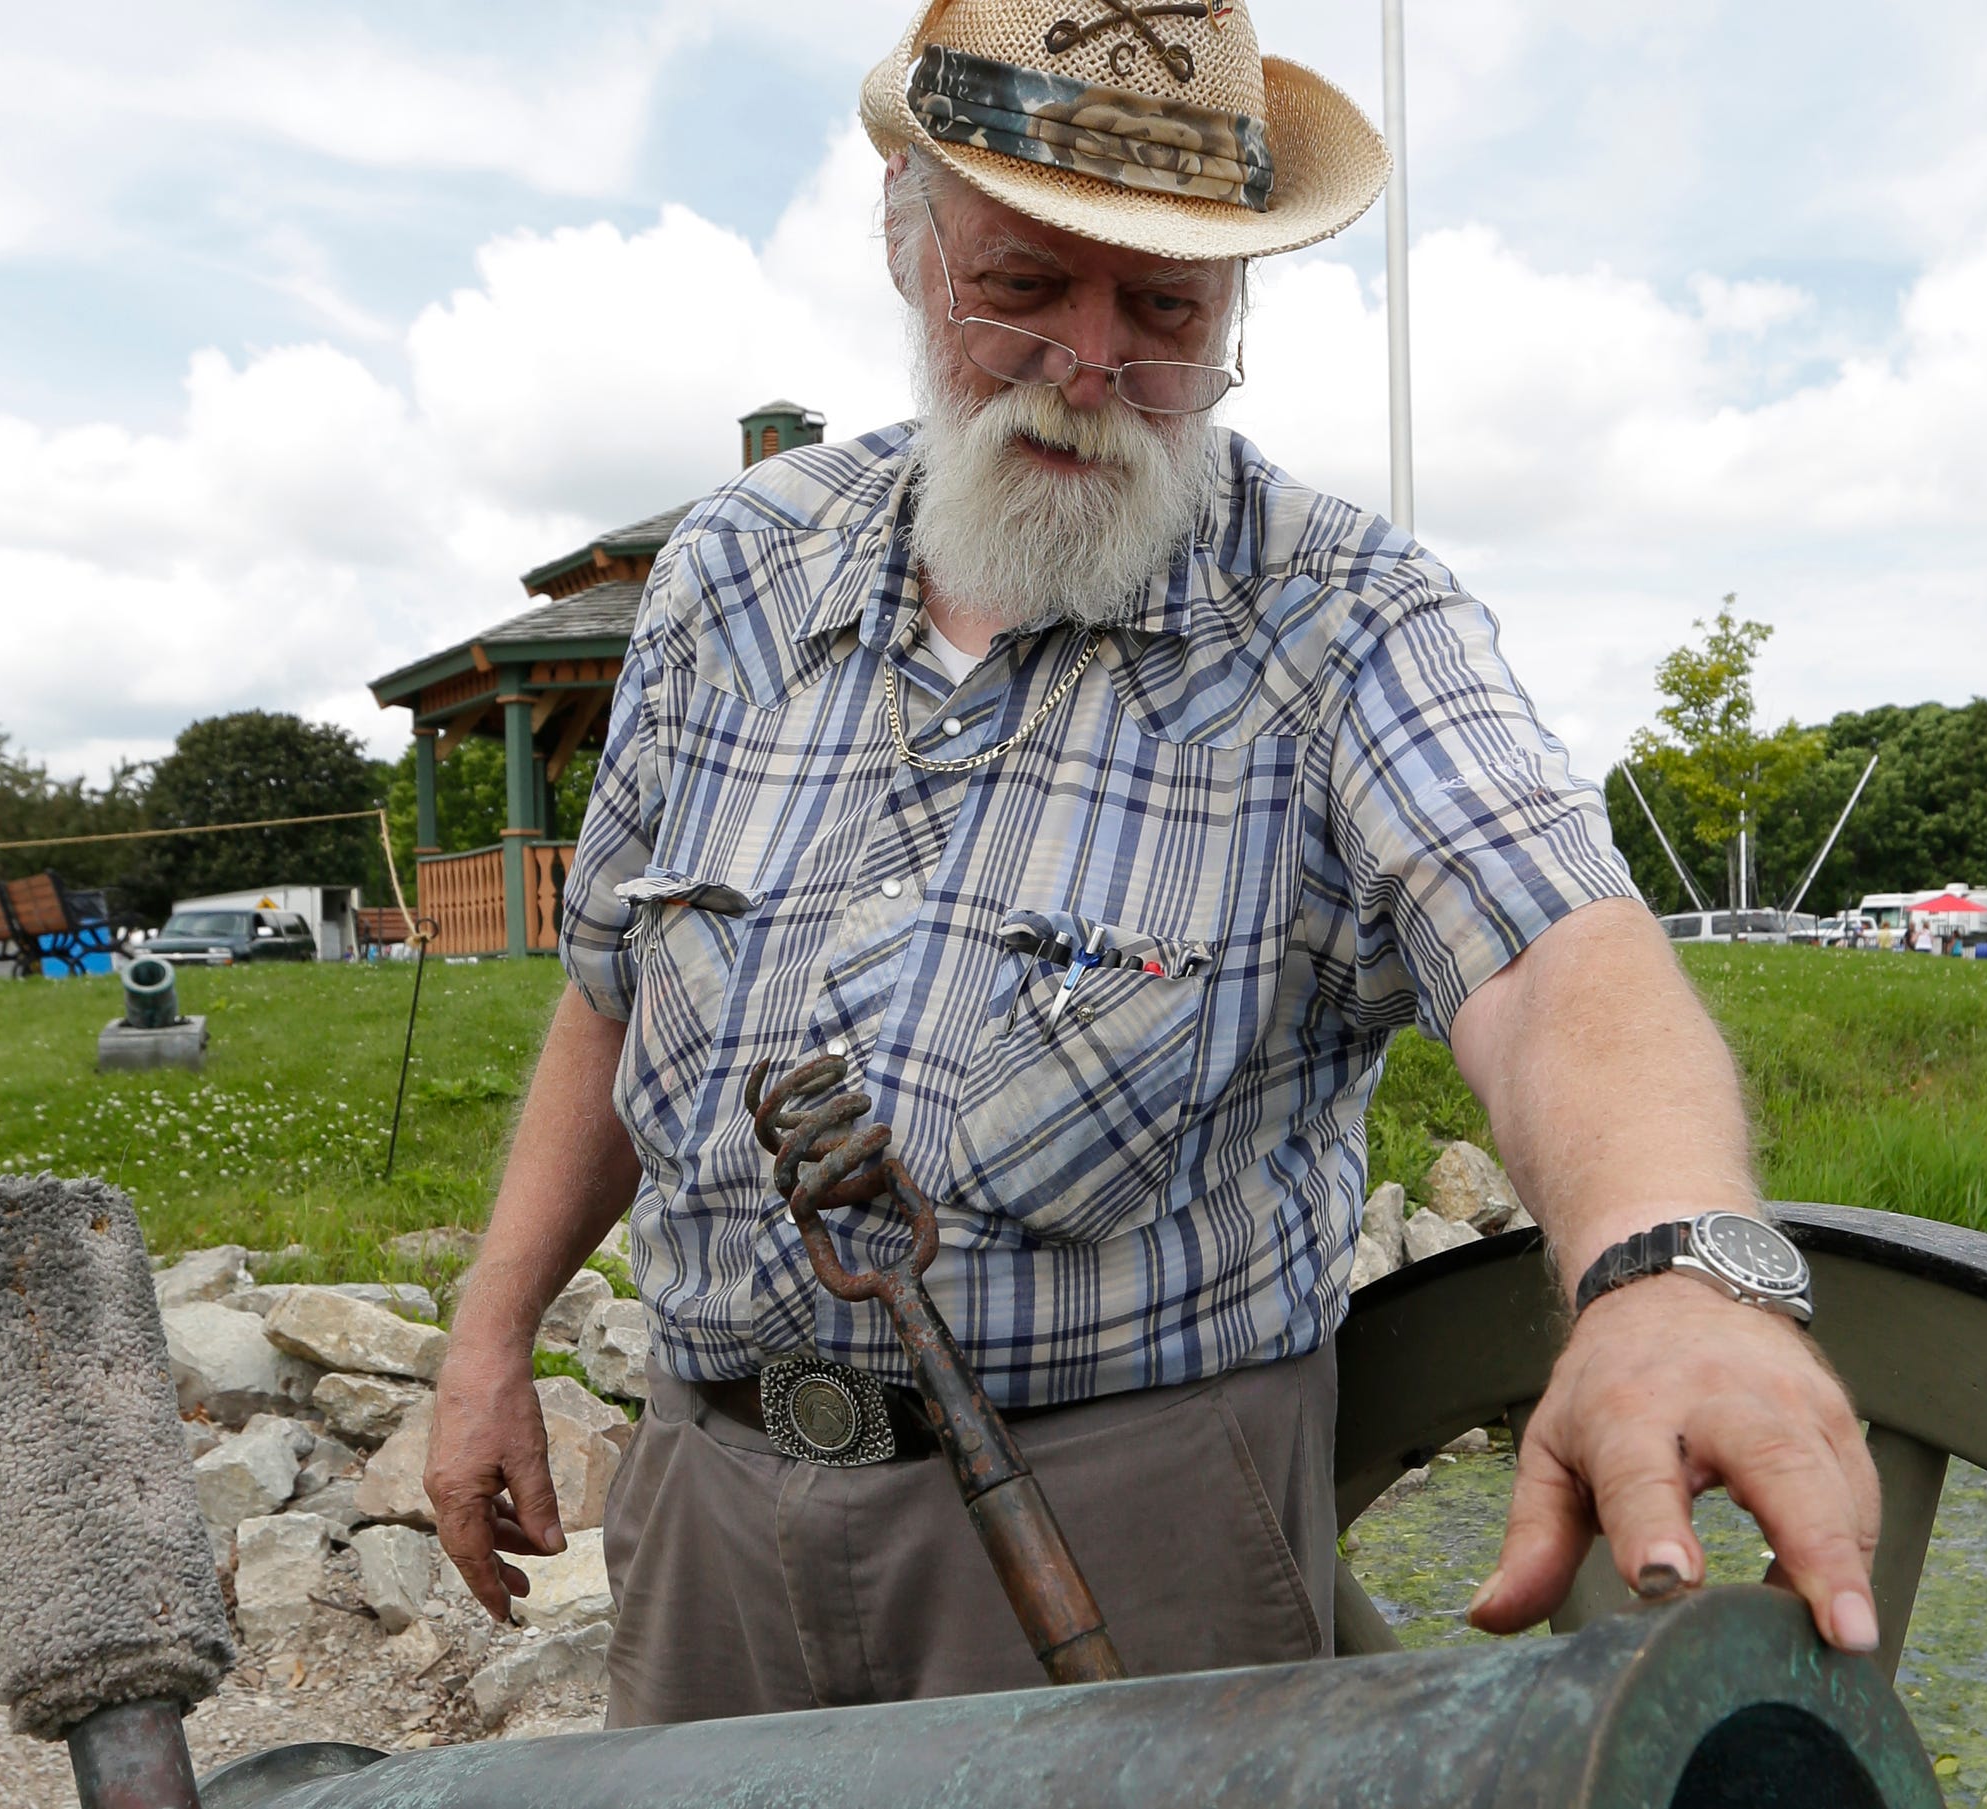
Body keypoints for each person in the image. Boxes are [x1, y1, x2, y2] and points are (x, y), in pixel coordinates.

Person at [423, 0, 1878, 1726]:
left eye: (1168, 307)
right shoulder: (736, 570)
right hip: (713, 1514)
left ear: (1236, 312)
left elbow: (1552, 946)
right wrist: (489, 1330)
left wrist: (1668, 1265)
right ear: (911, 244)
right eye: (1025, 287)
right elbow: (611, 994)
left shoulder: (1344, 620)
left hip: (1142, 1543)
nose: (1093, 362)